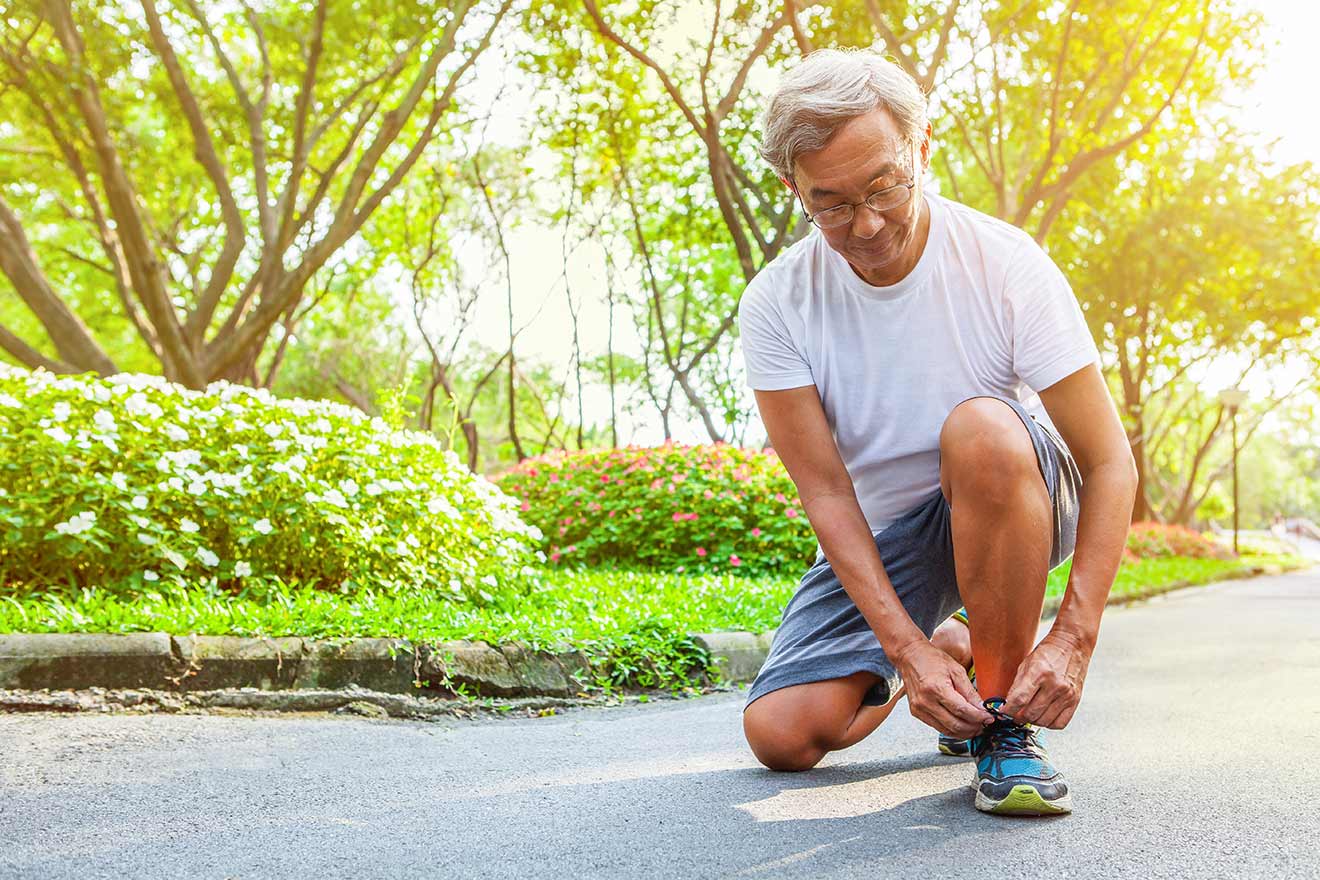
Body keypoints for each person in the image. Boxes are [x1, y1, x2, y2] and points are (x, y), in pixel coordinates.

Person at [737, 48, 1138, 816]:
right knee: (781, 735)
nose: (866, 224)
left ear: (922, 148)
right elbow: (827, 493)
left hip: (1012, 490)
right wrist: (908, 650)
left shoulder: (1005, 263)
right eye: (831, 204)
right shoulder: (777, 303)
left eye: (884, 185)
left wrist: (1073, 636)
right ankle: (951, 644)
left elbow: (1109, 460)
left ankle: (1005, 726)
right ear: (794, 189)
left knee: (981, 430)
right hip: (894, 539)